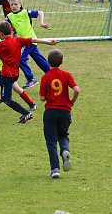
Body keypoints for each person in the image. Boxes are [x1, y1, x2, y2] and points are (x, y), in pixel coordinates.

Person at [0, 22, 58, 122]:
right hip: (14, 74)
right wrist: (48, 42)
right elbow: (33, 40)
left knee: (6, 100)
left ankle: (26, 113)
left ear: (1, 34)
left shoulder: (2, 44)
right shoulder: (17, 40)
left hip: (7, 76)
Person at [40, 49, 80, 178]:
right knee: (63, 135)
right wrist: (71, 101)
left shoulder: (45, 77)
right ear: (62, 62)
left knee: (51, 140)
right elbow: (76, 89)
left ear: (47, 62)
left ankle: (55, 169)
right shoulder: (66, 75)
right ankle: (65, 150)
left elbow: (41, 98)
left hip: (51, 111)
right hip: (65, 111)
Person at [5, 0, 52, 89]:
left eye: (15, 4)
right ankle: (52, 75)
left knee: (19, 58)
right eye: (11, 5)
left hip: (29, 40)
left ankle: (31, 79)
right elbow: (4, 25)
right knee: (39, 60)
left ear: (20, 5)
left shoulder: (25, 12)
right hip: (23, 42)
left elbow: (40, 12)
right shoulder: (9, 16)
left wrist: (42, 23)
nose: (13, 6)